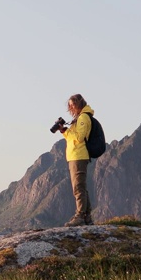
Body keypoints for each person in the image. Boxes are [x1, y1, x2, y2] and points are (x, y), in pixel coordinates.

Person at [58, 94, 94, 226]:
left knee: (78, 187)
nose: (71, 107)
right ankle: (87, 217)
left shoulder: (83, 117)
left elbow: (79, 137)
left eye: (73, 105)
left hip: (79, 156)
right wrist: (64, 131)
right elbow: (73, 137)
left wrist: (67, 131)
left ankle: (80, 216)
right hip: (74, 156)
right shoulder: (78, 118)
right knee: (81, 187)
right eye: (70, 105)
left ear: (79, 103)